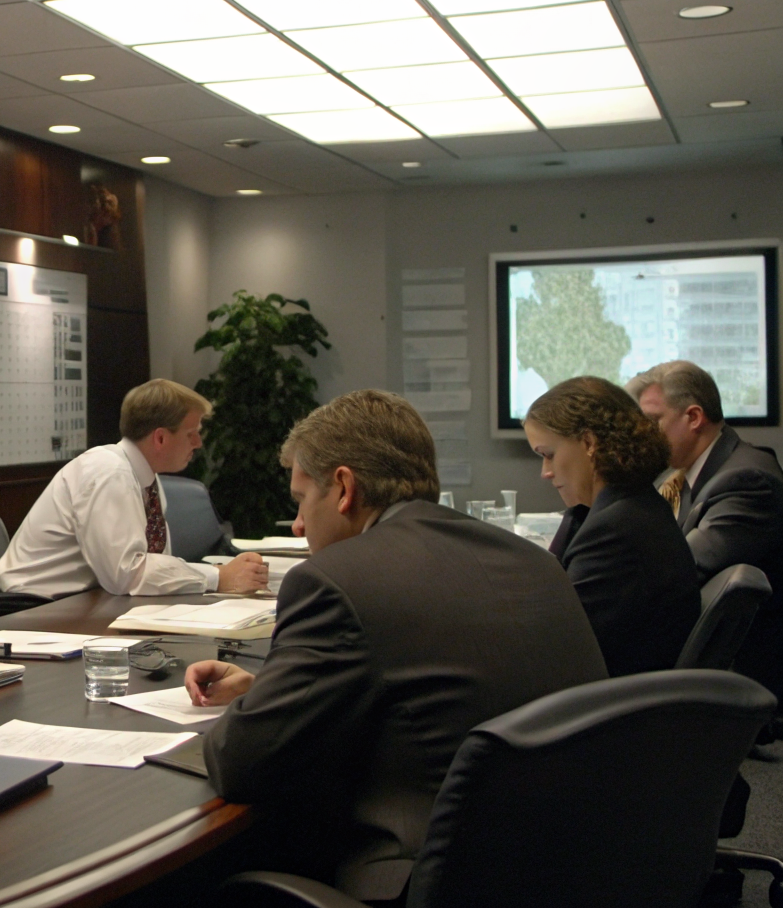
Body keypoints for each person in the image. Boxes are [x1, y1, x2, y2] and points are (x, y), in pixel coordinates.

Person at [186, 390, 605, 904]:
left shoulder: (336, 580)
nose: (297, 525)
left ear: (343, 488)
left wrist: (262, 708)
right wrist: (277, 686)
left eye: (300, 500)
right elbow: (437, 683)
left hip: (427, 880)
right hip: (572, 871)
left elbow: (241, 762)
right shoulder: (534, 560)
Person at [0, 378, 268, 597]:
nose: (198, 443)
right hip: (30, 609)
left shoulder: (146, 477)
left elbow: (150, 565)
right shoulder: (109, 473)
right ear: (160, 438)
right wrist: (218, 577)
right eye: (191, 434)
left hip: (87, 600)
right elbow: (128, 574)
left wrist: (219, 574)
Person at [524, 376, 700, 677]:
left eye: (548, 455)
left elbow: (560, 647)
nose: (546, 472)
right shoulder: (635, 506)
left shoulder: (616, 531)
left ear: (589, 443)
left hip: (610, 709)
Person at [627, 360, 783, 693]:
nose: (642, 435)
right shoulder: (681, 474)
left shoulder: (747, 480)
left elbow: (681, 572)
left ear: (694, 417)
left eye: (652, 421)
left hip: (739, 681)